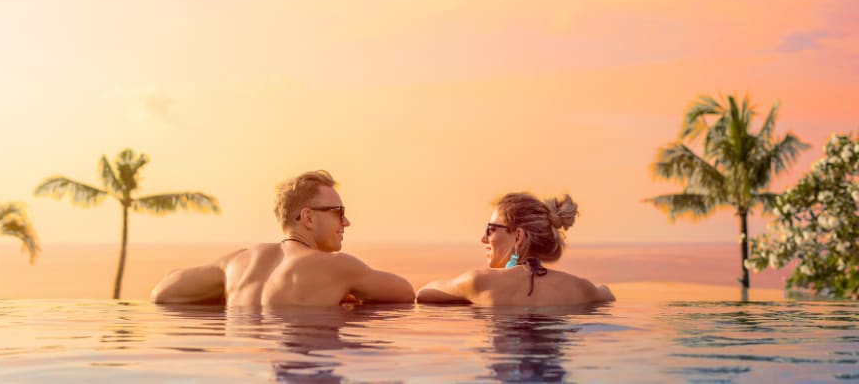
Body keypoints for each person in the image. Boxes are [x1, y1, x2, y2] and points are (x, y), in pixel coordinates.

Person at [151, 170, 415, 306]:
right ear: (308, 218)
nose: (346, 222)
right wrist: (344, 287)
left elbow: (162, 292)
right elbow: (406, 293)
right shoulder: (337, 266)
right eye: (338, 212)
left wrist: (225, 291)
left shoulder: (237, 263)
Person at [416, 193, 615, 306]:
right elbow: (607, 293)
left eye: (491, 229)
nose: (483, 238)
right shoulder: (580, 288)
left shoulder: (480, 282)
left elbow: (423, 294)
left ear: (518, 236)